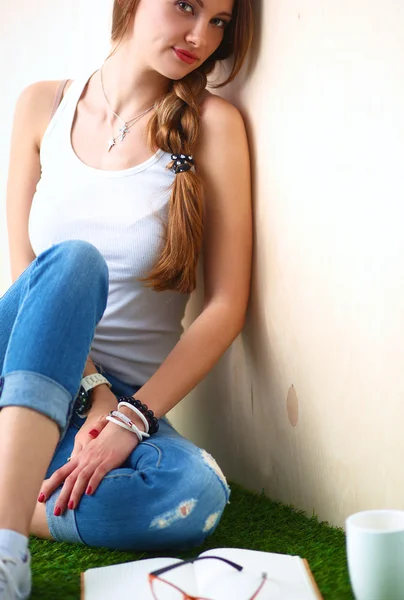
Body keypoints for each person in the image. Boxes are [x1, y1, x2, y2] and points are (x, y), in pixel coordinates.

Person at [0, 0, 253, 597]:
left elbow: (225, 306)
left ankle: (10, 492)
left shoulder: (214, 125)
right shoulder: (43, 105)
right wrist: (94, 390)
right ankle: (9, 548)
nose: (200, 35)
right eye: (186, 6)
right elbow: (26, 272)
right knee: (76, 265)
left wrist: (129, 416)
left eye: (219, 21)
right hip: (26, 366)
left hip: (123, 410)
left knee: (193, 493)